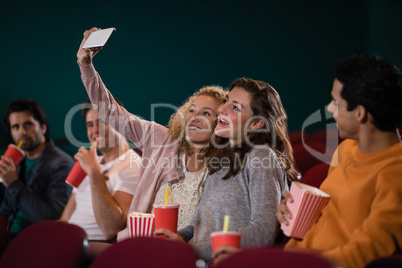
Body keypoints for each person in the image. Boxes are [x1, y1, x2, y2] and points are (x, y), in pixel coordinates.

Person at [215, 55, 402, 268]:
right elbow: (328, 223)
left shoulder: (396, 172)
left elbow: (365, 253)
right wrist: (297, 214)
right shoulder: (347, 149)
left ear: (360, 113)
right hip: (297, 258)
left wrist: (276, 262)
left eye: (335, 103)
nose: (330, 109)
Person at [76, 27, 226, 240]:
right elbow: (110, 111)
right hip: (138, 245)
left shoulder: (224, 167)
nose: (195, 117)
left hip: (186, 254)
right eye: (191, 110)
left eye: (206, 113)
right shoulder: (161, 139)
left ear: (219, 123)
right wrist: (86, 66)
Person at [155, 77, 297, 263]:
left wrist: (191, 250)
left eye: (235, 107)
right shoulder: (221, 160)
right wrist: (175, 240)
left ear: (256, 124)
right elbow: (195, 226)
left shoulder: (261, 156)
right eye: (226, 101)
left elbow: (263, 231)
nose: (222, 109)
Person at [59, 99, 141, 242]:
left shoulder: (132, 164)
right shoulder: (89, 162)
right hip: (67, 240)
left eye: (102, 122)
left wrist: (94, 173)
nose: (95, 130)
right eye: (90, 125)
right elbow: (65, 219)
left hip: (93, 247)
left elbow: (111, 229)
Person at [0, 99, 74, 243]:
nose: (22, 132)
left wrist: (14, 183)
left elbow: (53, 219)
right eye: (15, 127)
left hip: (36, 242)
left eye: (28, 124)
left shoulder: (62, 164)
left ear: (43, 128)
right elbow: (5, 209)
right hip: (7, 237)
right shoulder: (18, 161)